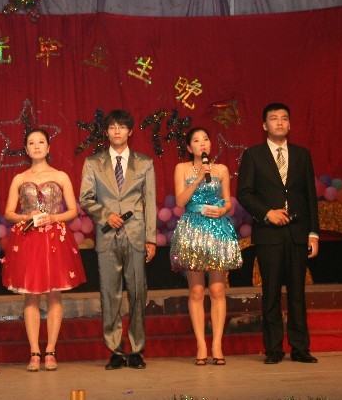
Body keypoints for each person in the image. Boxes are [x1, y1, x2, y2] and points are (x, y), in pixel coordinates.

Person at [237, 103, 320, 365]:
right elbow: (244, 194)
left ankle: (300, 348)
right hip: (268, 234)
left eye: (284, 118)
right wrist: (267, 213)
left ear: (290, 124)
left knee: (297, 293)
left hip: (297, 233)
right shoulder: (253, 155)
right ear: (265, 125)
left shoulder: (302, 155)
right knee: (271, 292)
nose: (280, 123)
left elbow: (310, 197)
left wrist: (313, 233)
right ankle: (273, 348)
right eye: (274, 119)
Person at [1, 129, 87, 372]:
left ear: (48, 148)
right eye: (31, 143)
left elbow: (73, 211)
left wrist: (53, 217)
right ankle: (34, 352)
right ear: (26, 149)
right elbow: (8, 213)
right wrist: (25, 216)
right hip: (27, 238)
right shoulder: (19, 178)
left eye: (41, 142)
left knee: (54, 294)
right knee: (30, 294)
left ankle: (50, 350)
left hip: (54, 239)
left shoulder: (61, 176)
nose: (36, 146)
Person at [79, 109, 156, 370]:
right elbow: (85, 198)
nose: (117, 131)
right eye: (112, 127)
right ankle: (115, 349)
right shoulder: (93, 162)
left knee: (137, 292)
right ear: (107, 131)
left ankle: (136, 349)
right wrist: (106, 215)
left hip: (136, 236)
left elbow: (150, 202)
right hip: (107, 235)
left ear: (130, 131)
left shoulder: (144, 162)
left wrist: (151, 239)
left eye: (122, 127)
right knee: (109, 294)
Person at [170, 127, 242, 366]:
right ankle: (201, 345)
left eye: (206, 139)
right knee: (197, 291)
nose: (202, 144)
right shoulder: (182, 168)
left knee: (218, 290)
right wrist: (199, 177)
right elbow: (180, 201)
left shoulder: (221, 169)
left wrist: (223, 210)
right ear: (189, 147)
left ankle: (217, 345)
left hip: (217, 229)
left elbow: (228, 202)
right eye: (196, 140)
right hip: (193, 229)